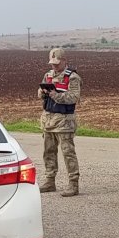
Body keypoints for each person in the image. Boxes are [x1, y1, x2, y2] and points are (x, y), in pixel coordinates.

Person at [39, 47, 82, 197]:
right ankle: (50, 180)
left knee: (68, 153)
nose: (54, 66)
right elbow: (39, 95)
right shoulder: (48, 75)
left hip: (64, 122)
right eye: (52, 63)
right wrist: (43, 92)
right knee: (48, 152)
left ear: (64, 61)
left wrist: (56, 95)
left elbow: (74, 97)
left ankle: (73, 183)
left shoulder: (72, 77)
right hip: (49, 121)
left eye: (57, 63)